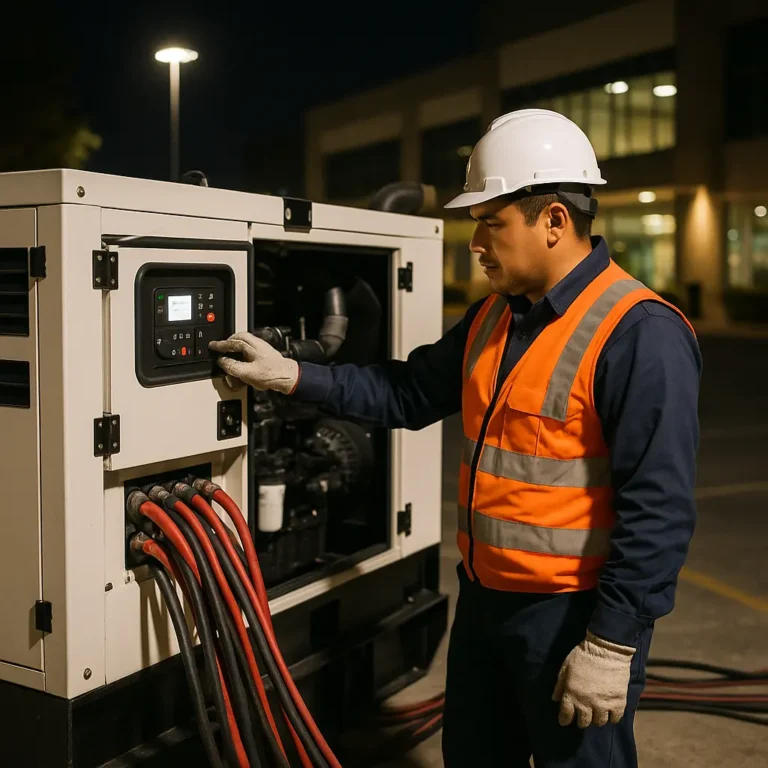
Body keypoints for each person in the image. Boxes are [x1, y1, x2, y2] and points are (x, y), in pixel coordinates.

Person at [210, 109, 702, 768]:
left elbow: (659, 508)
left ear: (554, 221)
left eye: (491, 223)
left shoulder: (639, 332)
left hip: (571, 617)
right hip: (484, 601)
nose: (475, 244)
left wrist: (611, 643)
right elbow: (407, 393)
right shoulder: (495, 318)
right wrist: (290, 375)